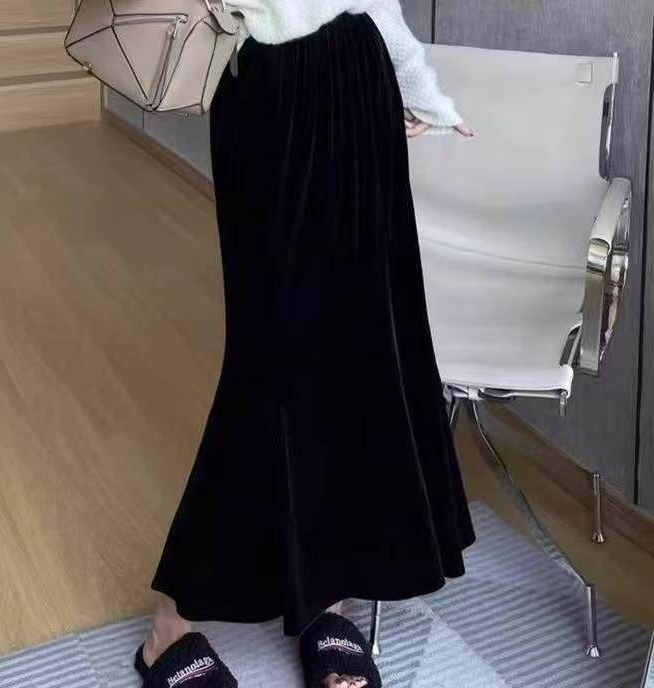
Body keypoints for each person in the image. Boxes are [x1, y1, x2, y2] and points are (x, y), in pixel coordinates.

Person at [134, 1, 476, 686]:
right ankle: (171, 622)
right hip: (272, 88)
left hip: (356, 78)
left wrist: (415, 83)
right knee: (271, 364)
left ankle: (326, 598)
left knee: (357, 353)